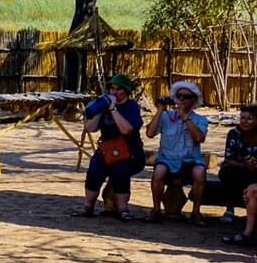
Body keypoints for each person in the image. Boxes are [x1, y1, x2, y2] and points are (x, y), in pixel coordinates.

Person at [72, 74, 145, 222]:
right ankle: (88, 207)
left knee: (120, 171)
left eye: (118, 89)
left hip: (129, 151)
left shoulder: (132, 107)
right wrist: (99, 110)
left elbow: (127, 130)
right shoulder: (103, 105)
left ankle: (123, 210)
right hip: (107, 149)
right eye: (112, 88)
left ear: (126, 91)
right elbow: (90, 128)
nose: (114, 92)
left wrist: (113, 109)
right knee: (94, 170)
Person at [143, 81, 209, 225]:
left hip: (190, 160)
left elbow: (200, 138)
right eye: (179, 96)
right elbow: (150, 133)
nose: (182, 99)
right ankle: (156, 210)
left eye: (187, 97)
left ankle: (196, 212)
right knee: (159, 171)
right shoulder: (166, 117)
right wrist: (161, 109)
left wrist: (185, 117)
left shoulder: (200, 119)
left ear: (194, 100)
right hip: (167, 160)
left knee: (200, 173)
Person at [218, 104, 257, 225]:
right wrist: (243, 164)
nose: (245, 121)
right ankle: (229, 210)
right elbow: (228, 159)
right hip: (239, 168)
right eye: (242, 118)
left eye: (249, 118)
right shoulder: (234, 133)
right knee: (227, 172)